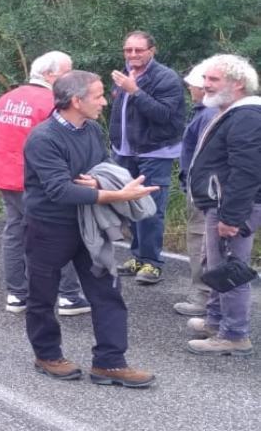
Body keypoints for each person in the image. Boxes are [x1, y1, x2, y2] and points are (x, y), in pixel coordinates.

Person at [23, 70, 157, 388]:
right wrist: (119, 195)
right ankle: (47, 355)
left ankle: (110, 363)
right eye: (97, 95)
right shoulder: (43, 139)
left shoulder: (93, 129)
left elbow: (103, 164)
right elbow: (61, 191)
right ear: (75, 101)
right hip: (49, 228)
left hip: (90, 225)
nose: (104, 100)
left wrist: (100, 181)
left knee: (107, 292)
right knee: (42, 296)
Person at [0, 51, 89, 316]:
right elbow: (61, 143)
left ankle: (17, 294)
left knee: (15, 233)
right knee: (57, 233)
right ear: (50, 75)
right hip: (36, 180)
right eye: (68, 71)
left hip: (4, 176)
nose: (73, 77)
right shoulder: (50, 102)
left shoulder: (8, 98)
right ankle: (68, 296)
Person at [186, 54, 261, 356]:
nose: (205, 85)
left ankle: (234, 334)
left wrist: (231, 216)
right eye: (205, 79)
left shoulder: (247, 116)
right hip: (223, 203)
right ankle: (216, 321)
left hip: (233, 206)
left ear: (238, 84)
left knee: (231, 267)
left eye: (213, 80)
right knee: (215, 263)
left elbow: (247, 170)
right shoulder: (233, 112)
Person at [109, 31, 186, 285]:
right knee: (129, 205)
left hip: (154, 151)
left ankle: (152, 262)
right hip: (124, 151)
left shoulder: (166, 78)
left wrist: (135, 92)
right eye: (128, 50)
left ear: (152, 50)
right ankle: (137, 256)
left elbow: (164, 115)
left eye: (138, 50)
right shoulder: (124, 74)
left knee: (151, 208)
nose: (132, 55)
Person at [172, 61, 218, 316]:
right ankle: (210, 298)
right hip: (205, 187)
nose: (189, 88)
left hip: (203, 190)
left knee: (200, 239)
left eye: (192, 84)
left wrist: (193, 187)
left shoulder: (208, 114)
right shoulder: (206, 112)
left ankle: (203, 296)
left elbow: (203, 156)